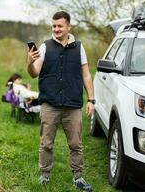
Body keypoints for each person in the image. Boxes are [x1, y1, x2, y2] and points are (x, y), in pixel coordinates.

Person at [26, 11, 95, 192]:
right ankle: (44, 176)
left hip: (73, 105)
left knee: (75, 144)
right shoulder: (45, 47)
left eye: (60, 26)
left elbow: (86, 74)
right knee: (46, 143)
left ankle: (78, 178)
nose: (56, 29)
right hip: (50, 104)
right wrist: (29, 62)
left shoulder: (79, 48)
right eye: (54, 26)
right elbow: (34, 73)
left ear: (68, 27)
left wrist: (91, 100)